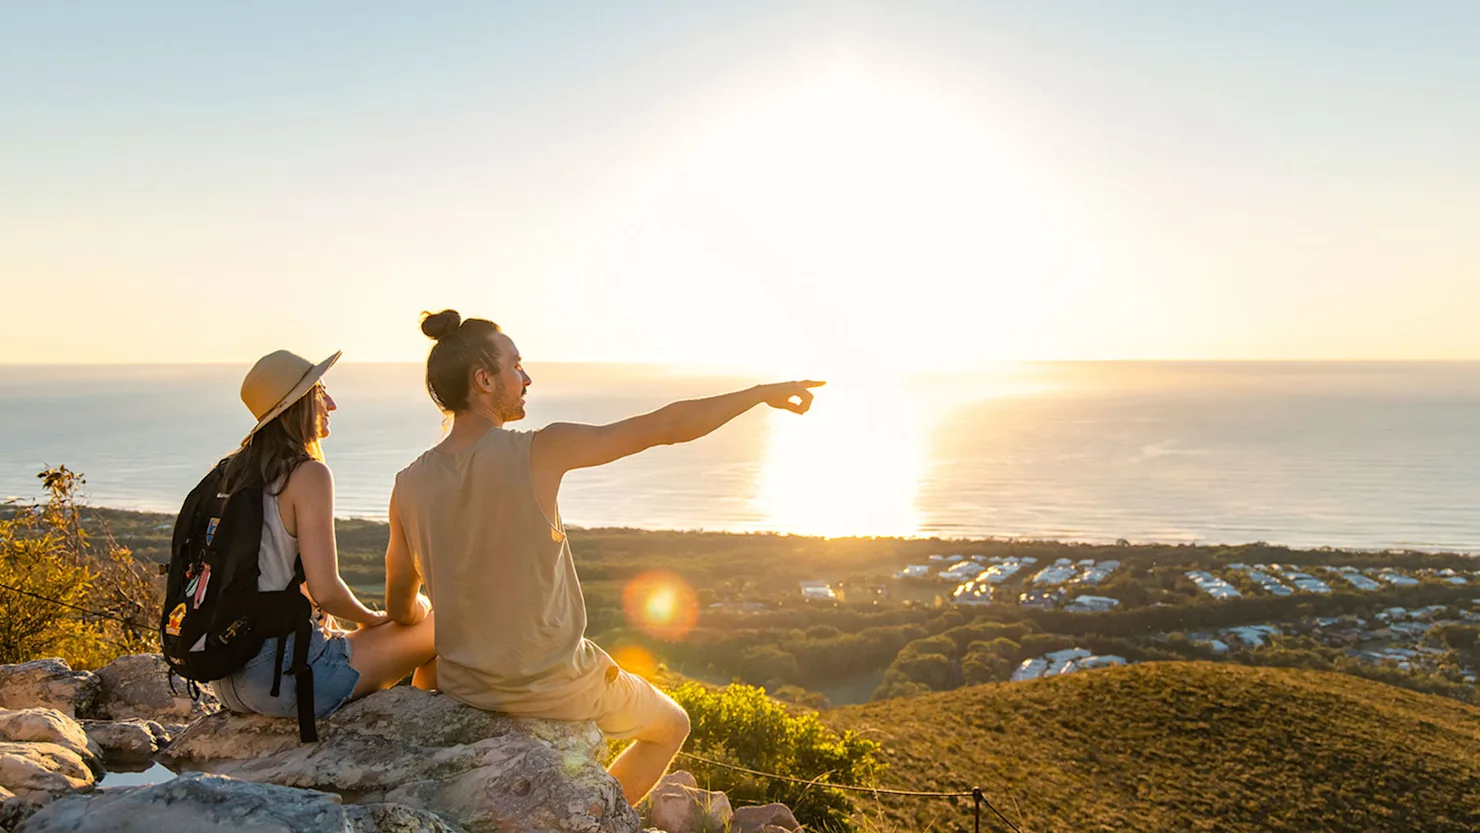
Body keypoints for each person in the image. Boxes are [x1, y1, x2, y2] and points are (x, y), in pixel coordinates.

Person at [387, 309, 822, 804]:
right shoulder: (540, 450)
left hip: (464, 686)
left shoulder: (407, 485)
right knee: (672, 724)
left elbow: (401, 607)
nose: (526, 378)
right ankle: (598, 812)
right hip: (554, 685)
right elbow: (666, 426)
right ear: (484, 380)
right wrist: (759, 394)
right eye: (516, 366)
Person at [207, 349, 438, 720]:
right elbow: (327, 590)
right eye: (320, 392)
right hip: (284, 678)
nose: (330, 403)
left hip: (226, 676)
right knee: (434, 621)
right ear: (296, 406)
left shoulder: (232, 472)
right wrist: (371, 618)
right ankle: (423, 728)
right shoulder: (307, 474)